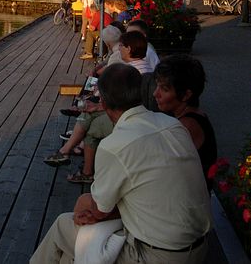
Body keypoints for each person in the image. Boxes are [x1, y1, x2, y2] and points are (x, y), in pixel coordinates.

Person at [30, 64, 212, 264]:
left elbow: (99, 211)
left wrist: (91, 211)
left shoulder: (114, 146)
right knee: (68, 255)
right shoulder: (174, 126)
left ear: (104, 103)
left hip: (157, 255)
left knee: (63, 225)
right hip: (197, 246)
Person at [153, 54, 217, 189]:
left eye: (164, 89)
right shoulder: (194, 116)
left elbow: (162, 168)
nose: (155, 93)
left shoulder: (185, 126)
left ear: (186, 94)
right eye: (157, 86)